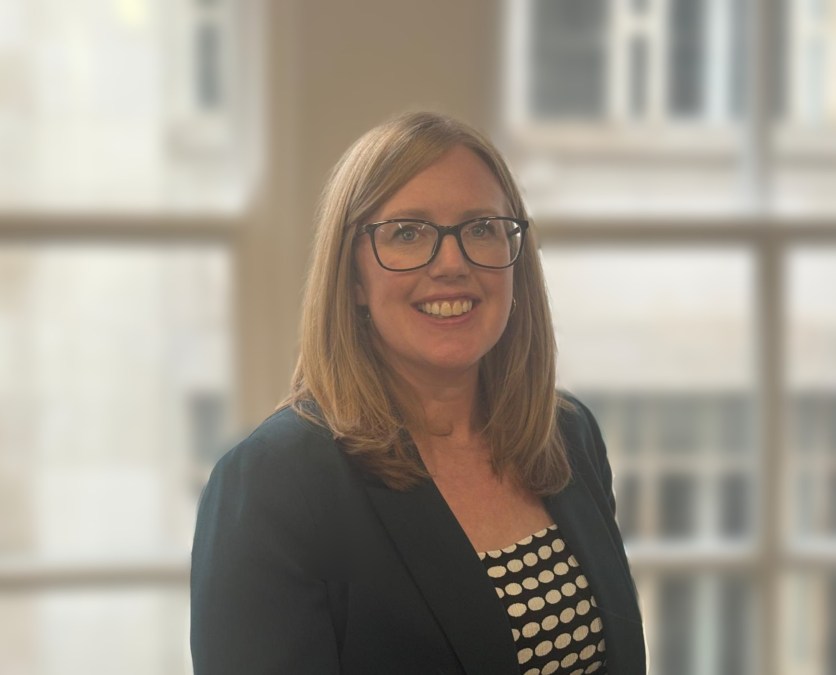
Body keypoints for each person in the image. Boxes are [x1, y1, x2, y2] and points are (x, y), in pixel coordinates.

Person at [190, 111, 646, 674]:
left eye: (482, 227)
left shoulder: (568, 436)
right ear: (353, 276)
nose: (452, 264)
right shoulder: (271, 482)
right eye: (408, 233)